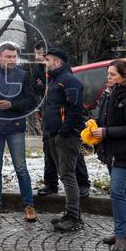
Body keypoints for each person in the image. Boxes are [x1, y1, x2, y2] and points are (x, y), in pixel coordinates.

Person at [0, 43, 38, 221]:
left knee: (21, 168)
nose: (12, 60)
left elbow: (31, 101)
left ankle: (29, 206)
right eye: (8, 56)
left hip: (15, 127)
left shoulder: (23, 75)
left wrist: (13, 105)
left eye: (14, 57)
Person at [92, 60, 126, 251]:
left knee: (116, 192)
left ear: (124, 76)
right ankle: (125, 232)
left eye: (112, 74)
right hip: (111, 152)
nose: (108, 77)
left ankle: (121, 236)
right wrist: (93, 126)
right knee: (121, 192)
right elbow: (103, 119)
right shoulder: (109, 94)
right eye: (108, 74)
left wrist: (106, 132)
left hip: (125, 153)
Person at [34, 42, 91, 198]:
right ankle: (50, 183)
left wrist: (65, 129)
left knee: (73, 156)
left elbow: (73, 105)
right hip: (48, 119)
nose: (40, 58)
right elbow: (35, 87)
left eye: (44, 57)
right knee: (49, 154)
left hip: (65, 127)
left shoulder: (65, 75)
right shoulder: (41, 71)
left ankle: (83, 183)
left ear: (56, 61)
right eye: (38, 54)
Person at [43, 47, 86, 231]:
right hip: (54, 134)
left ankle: (74, 218)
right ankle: (70, 212)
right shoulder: (55, 80)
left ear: (57, 62)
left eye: (48, 60)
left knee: (68, 175)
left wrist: (64, 131)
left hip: (65, 137)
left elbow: (76, 109)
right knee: (64, 174)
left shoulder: (69, 81)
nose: (45, 63)